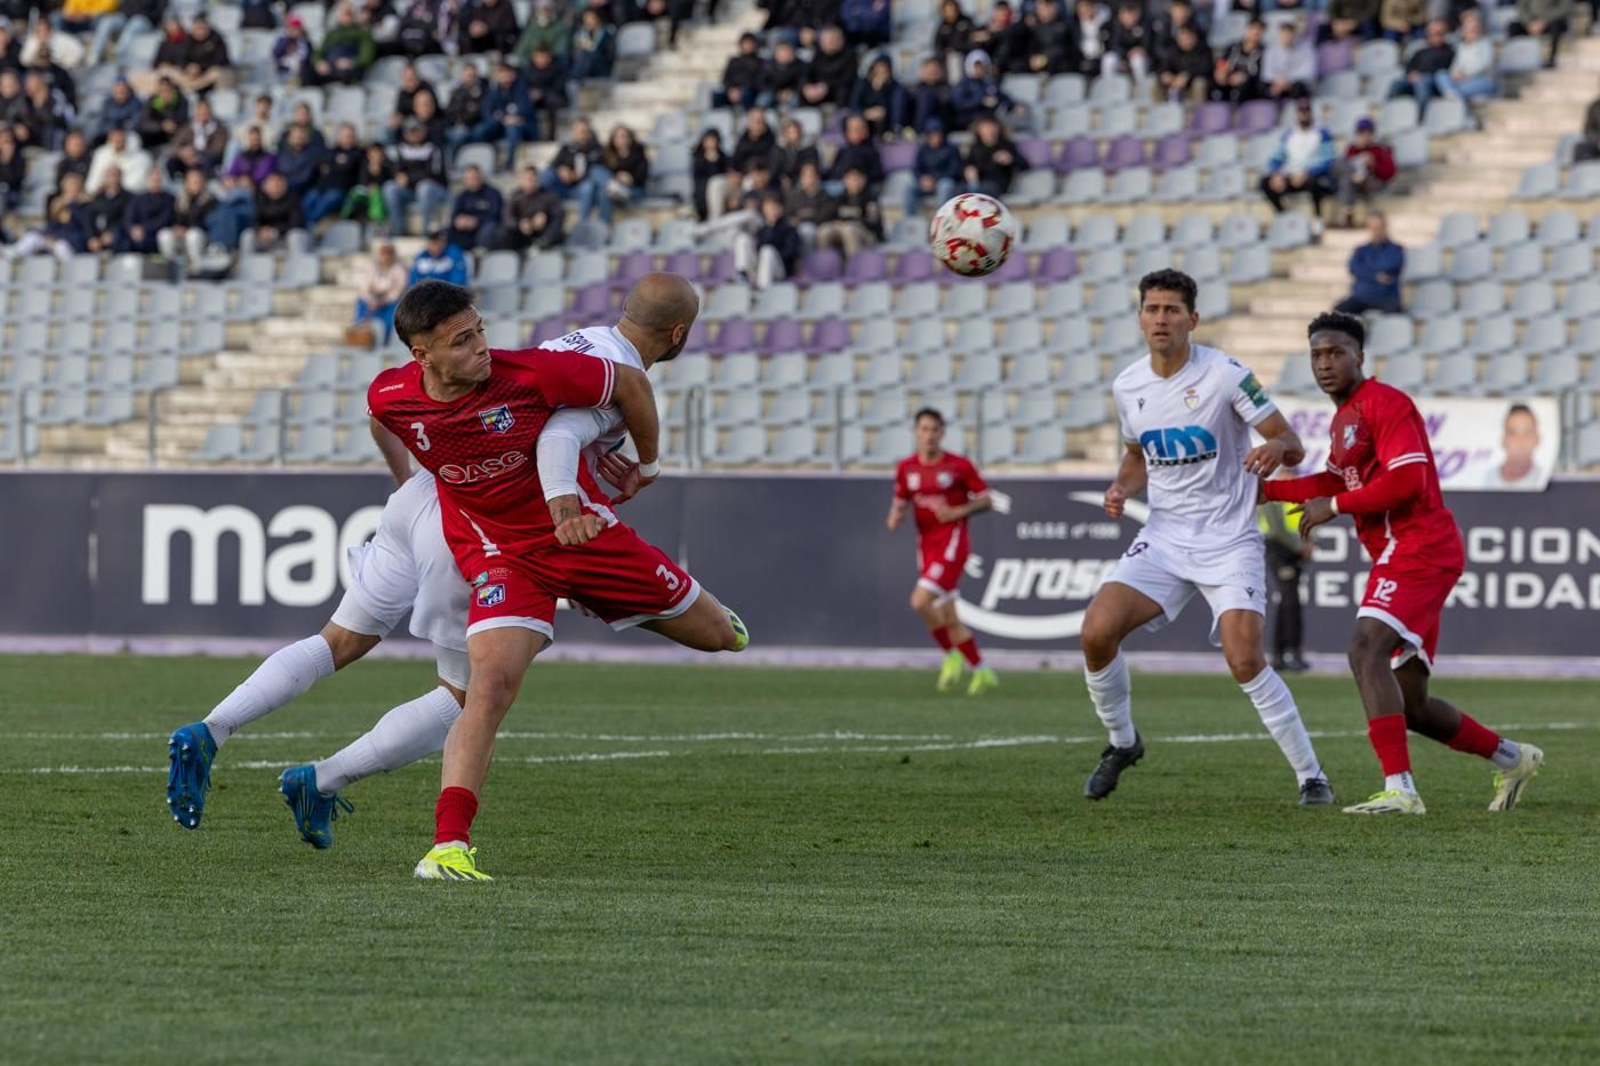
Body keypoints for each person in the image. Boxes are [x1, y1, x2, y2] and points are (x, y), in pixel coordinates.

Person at [369, 277, 747, 880]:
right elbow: (381, 416)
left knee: (721, 637)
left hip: (579, 540)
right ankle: (447, 847)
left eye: (479, 331)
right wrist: (410, 481)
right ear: (424, 357)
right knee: (487, 688)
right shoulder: (391, 392)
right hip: (500, 550)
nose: (481, 348)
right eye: (462, 342)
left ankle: (604, 598)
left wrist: (640, 472)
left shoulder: (531, 373)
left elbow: (622, 392)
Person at [1264, 313, 1544, 814]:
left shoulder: (1385, 404)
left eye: (1336, 353)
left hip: (1420, 546)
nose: (1325, 364)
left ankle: (1400, 789)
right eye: (1317, 355)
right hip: (1410, 552)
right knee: (1411, 705)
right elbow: (1331, 481)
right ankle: (1513, 757)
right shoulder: (1345, 417)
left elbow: (1407, 482)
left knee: (1364, 649)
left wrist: (1335, 507)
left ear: (1360, 358)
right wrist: (1263, 490)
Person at [1080, 269, 1332, 805]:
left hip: (1230, 539)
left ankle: (1311, 775)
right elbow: (1135, 456)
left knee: (1244, 659)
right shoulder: (1128, 386)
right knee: (1096, 633)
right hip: (1166, 538)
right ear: (1140, 317)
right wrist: (1121, 488)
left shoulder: (1225, 374)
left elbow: (1292, 441)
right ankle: (1122, 743)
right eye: (1152, 309)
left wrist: (1275, 451)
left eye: (1172, 310)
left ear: (1192, 320)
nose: (1161, 319)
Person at [887, 407, 997, 695]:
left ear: (943, 433)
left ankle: (950, 655)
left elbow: (987, 500)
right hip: (926, 546)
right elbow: (901, 498)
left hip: (952, 544)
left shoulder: (959, 466)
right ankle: (982, 671)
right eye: (924, 429)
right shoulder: (906, 467)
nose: (929, 435)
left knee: (920, 601)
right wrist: (895, 516)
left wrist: (959, 510)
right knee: (950, 617)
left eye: (935, 430)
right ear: (916, 432)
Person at [1259, 98, 1334, 219]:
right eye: (1301, 111)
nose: (1304, 115)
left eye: (1306, 111)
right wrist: (1276, 173)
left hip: (1310, 176)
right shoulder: (1288, 135)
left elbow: (1327, 161)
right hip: (1291, 176)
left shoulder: (1322, 134)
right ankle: (1282, 215)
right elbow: (1276, 158)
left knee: (1316, 183)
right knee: (1265, 182)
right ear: (1296, 114)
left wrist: (1307, 173)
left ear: (1311, 113)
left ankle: (1317, 218)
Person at [1259, 501, 1310, 672]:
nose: (1289, 472)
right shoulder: (1274, 495)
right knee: (1290, 600)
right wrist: (1301, 546)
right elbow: (1276, 528)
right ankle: (1289, 653)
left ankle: (1281, 654)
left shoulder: (1301, 493)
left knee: (1289, 601)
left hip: (1295, 551)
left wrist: (1310, 542)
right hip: (1279, 549)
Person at [384, 118, 449, 234]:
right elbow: (397, 171)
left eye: (416, 130)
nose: (413, 134)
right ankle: (398, 229)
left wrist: (409, 178)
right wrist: (400, 177)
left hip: (436, 190)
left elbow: (434, 175)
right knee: (390, 188)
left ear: (423, 131)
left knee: (424, 187)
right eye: (410, 131)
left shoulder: (434, 149)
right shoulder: (401, 149)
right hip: (411, 191)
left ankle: (427, 231)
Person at [1330, 118, 1395, 227]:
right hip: (1354, 182)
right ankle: (1348, 211)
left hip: (1373, 182)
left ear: (1372, 134)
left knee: (1348, 174)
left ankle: (1348, 211)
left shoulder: (1380, 149)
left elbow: (1390, 172)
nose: (1364, 136)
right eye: (1361, 133)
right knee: (1341, 166)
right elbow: (1342, 168)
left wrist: (1373, 164)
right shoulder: (1352, 149)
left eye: (1367, 133)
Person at [1336, 212, 1404, 314]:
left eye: (1378, 227)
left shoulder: (1396, 249)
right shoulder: (1361, 250)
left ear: (1385, 227)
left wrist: (1365, 270)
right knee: (1339, 312)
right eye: (1372, 228)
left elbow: (1391, 265)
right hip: (1362, 296)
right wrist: (1376, 275)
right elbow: (1353, 268)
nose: (1375, 231)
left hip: (1386, 297)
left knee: (1395, 313)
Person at [734, 192, 800, 289]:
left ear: (781, 209)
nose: (771, 210)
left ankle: (763, 291)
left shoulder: (789, 229)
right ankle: (742, 274)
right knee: (743, 238)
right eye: (768, 207)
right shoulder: (761, 230)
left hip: (779, 270)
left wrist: (771, 251)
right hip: (760, 268)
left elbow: (790, 253)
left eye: (774, 207)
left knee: (767, 251)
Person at [158, 166, 215, 269]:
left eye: (197, 181)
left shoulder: (210, 201)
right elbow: (175, 218)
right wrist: (176, 228)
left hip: (202, 237)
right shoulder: (181, 200)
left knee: (193, 235)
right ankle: (169, 267)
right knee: (164, 234)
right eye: (192, 181)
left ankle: (196, 268)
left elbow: (207, 223)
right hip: (182, 236)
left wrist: (187, 229)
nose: (194, 184)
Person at [1387, 19, 1453, 110]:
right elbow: (1409, 66)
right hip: (1415, 79)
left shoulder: (1449, 51)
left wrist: (1420, 75)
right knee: (1396, 83)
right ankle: (1387, 110)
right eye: (1432, 34)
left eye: (1439, 33)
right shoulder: (1421, 51)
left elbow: (1444, 69)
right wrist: (1411, 74)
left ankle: (1420, 116)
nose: (1435, 37)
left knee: (1422, 83)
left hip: (1433, 81)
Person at [499, 165, 565, 251]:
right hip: (521, 233)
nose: (531, 183)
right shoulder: (515, 196)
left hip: (542, 233)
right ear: (521, 180)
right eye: (528, 180)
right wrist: (520, 224)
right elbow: (507, 216)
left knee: (556, 230)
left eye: (534, 180)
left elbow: (558, 215)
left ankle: (542, 244)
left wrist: (545, 217)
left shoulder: (548, 195)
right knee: (504, 232)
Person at [353, 239, 407, 341]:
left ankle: (386, 339)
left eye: (389, 254)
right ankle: (360, 334)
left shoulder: (400, 269)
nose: (386, 257)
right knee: (361, 303)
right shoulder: (372, 267)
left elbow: (397, 292)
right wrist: (371, 300)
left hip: (388, 302)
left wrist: (382, 301)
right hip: (372, 300)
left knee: (393, 313)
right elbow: (364, 287)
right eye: (384, 254)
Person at [1438, 11, 1496, 104]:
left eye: (1475, 28)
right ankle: (1452, 93)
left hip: (1481, 80)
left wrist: (1465, 75)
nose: (1473, 31)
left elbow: (1484, 65)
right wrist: (1455, 75)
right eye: (1470, 29)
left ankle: (1453, 95)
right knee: (1441, 74)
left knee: (1460, 89)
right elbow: (1456, 65)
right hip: (1462, 81)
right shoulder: (1461, 47)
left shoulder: (1486, 44)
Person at [905, 120, 961, 218]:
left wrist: (935, 180)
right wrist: (922, 179)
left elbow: (954, 170)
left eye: (938, 133)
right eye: (932, 134)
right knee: (909, 187)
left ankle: (941, 218)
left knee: (945, 185)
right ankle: (911, 221)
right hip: (925, 183)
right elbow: (916, 168)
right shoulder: (923, 149)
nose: (936, 137)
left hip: (942, 181)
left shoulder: (951, 149)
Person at [1482, 403, 1546, 489]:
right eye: (1513, 433)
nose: (1521, 442)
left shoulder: (1544, 478)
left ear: (1537, 439)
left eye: (1527, 433)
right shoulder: (1489, 478)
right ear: (1503, 440)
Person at [114, 166, 174, 254]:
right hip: (136, 233)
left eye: (157, 180)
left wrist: (144, 229)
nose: (155, 182)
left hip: (154, 233)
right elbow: (128, 216)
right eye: (153, 180)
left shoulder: (169, 199)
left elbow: (164, 219)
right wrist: (132, 229)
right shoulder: (138, 198)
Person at [1213, 18, 1265, 103]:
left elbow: (1261, 73)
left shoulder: (1263, 51)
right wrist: (1220, 72)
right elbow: (1222, 61)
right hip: (1228, 78)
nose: (1256, 32)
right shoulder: (1233, 47)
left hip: (1249, 83)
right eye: (1253, 29)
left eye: (1259, 30)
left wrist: (1244, 77)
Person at [1261, 20, 1314, 100]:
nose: (1286, 37)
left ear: (1294, 34)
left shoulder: (1307, 49)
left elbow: (1308, 73)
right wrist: (1278, 81)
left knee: (1299, 88)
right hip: (1276, 84)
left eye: (1289, 33)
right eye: (1283, 34)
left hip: (1294, 85)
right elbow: (1266, 73)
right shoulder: (1270, 49)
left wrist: (1288, 81)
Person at [1507, 0, 1569, 68]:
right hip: (1531, 23)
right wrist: (1529, 22)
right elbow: (1521, 7)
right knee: (1513, 27)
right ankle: (1515, 60)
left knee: (1556, 26)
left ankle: (1551, 60)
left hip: (1551, 21)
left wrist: (1544, 20)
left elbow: (1564, 8)